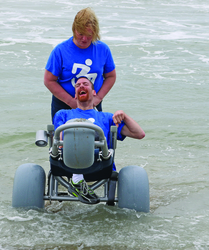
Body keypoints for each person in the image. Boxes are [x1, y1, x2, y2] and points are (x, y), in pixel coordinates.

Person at [53, 76, 145, 204]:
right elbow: (60, 143)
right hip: (69, 160)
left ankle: (77, 180)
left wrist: (124, 115)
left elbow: (139, 134)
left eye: (85, 84)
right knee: (73, 128)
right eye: (78, 85)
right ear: (75, 95)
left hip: (100, 164)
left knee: (95, 133)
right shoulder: (63, 114)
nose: (81, 86)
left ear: (94, 92)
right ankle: (77, 179)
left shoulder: (107, 117)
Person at [44, 7, 117, 122]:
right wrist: (71, 102)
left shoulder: (103, 49)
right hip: (64, 105)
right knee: (62, 139)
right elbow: (49, 80)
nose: (84, 39)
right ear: (74, 29)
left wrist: (98, 98)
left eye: (89, 35)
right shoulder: (60, 51)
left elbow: (111, 76)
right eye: (81, 34)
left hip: (92, 105)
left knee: (95, 138)